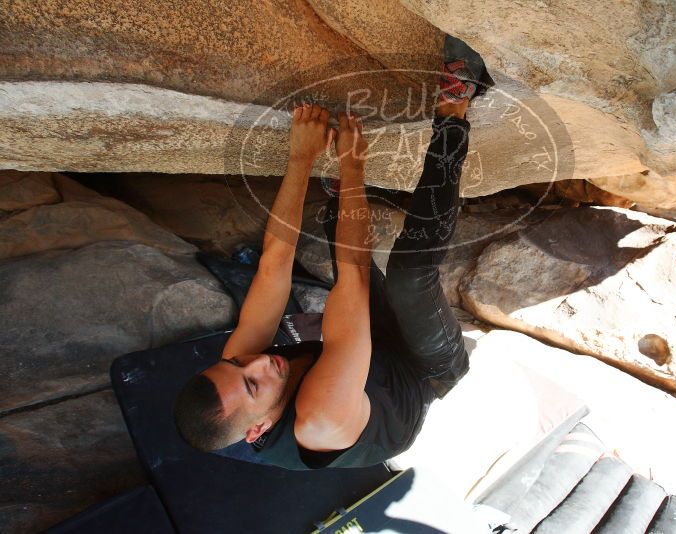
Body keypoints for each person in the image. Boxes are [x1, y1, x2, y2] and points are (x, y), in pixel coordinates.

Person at [173, 60, 483, 469]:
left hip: (367, 352)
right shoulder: (322, 418)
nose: (259, 361)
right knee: (408, 276)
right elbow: (352, 276)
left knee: (338, 221)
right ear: (258, 429)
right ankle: (452, 113)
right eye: (253, 384)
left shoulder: (239, 373)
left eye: (236, 362)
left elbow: (274, 265)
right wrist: (352, 164)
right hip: (422, 372)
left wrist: (301, 157)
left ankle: (340, 195)